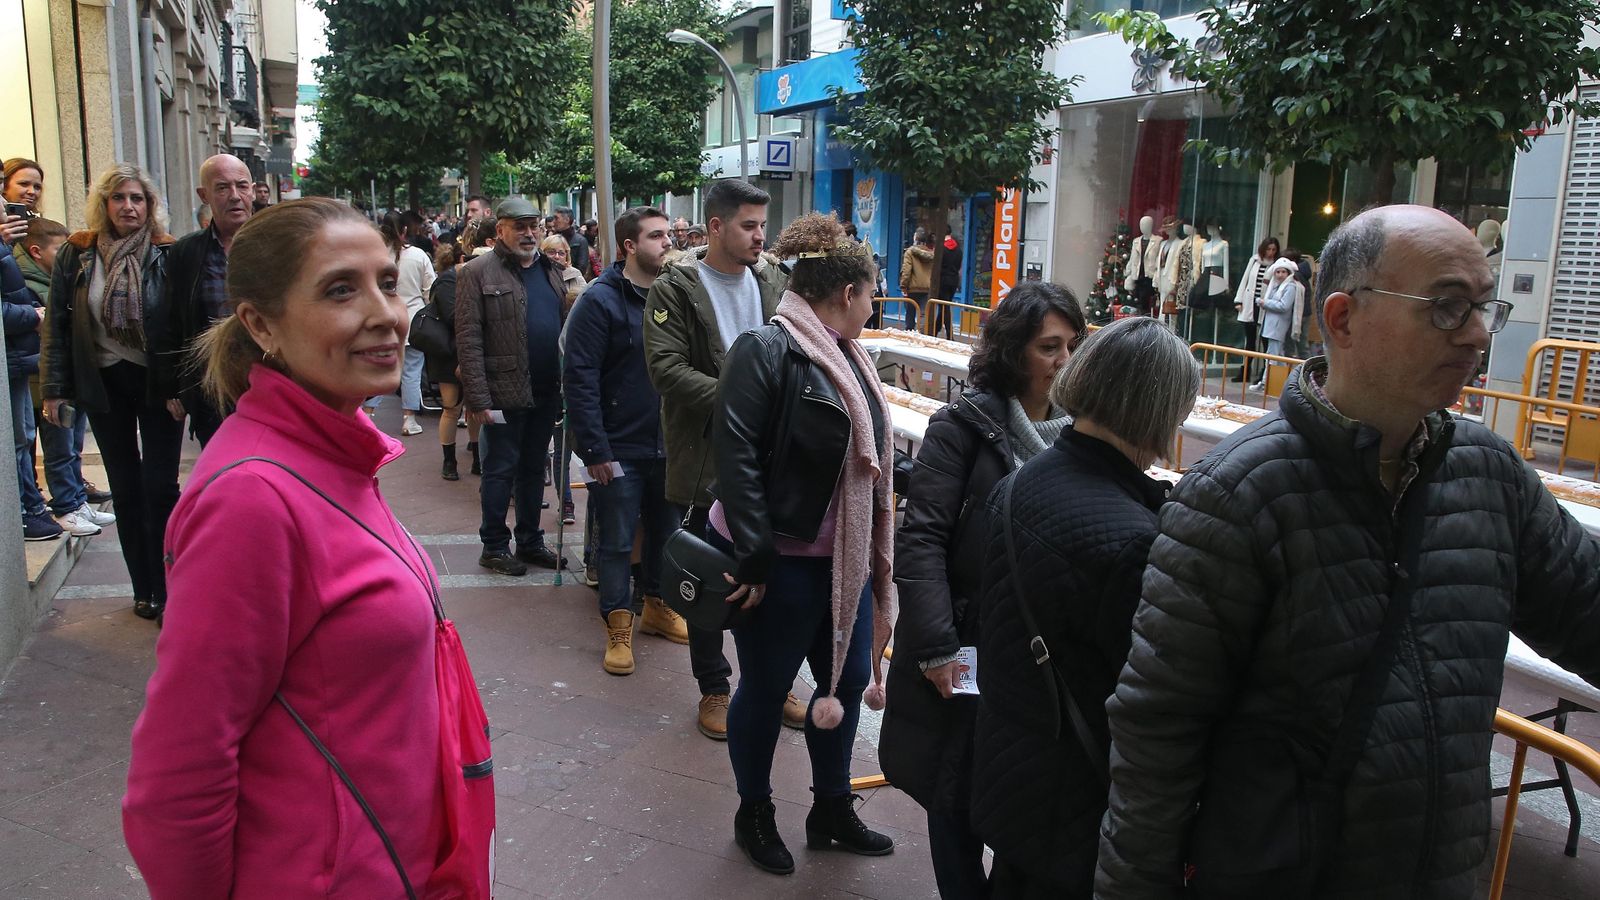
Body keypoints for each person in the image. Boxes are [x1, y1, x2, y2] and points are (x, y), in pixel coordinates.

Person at [1095, 205, 1600, 899]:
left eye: (1486, 308)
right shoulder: (1240, 492)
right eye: (1449, 307)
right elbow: (1158, 733)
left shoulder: (1491, 473)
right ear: (1342, 319)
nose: (1478, 334)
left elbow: (1585, 607)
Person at [123, 197, 474, 896]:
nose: (384, 314)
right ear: (260, 323)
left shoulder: (332, 454)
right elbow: (178, 772)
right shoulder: (252, 498)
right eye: (340, 289)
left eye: (383, 280)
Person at [971, 316, 1198, 897]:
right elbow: (1143, 693)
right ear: (1159, 412)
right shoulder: (1134, 538)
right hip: (1075, 800)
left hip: (1009, 768)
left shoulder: (1022, 480)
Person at [879, 280, 1085, 899]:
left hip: (1037, 653)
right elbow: (922, 543)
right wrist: (939, 647)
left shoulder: (1079, 436)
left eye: (1073, 346)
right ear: (1014, 352)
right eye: (1049, 347)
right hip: (966, 643)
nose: (1064, 362)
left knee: (1024, 792)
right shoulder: (961, 428)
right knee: (955, 785)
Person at [709, 212, 896, 875]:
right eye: (872, 294)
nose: (874, 307)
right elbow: (735, 462)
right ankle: (754, 810)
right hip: (778, 566)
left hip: (841, 566)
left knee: (844, 683)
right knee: (764, 687)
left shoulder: (852, 356)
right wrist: (754, 559)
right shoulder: (764, 349)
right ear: (846, 293)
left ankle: (831, 809)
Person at [644, 178, 805, 741]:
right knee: (713, 574)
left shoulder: (776, 281)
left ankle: (772, 681)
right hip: (709, 455)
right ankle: (714, 686)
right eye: (748, 225)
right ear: (715, 227)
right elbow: (665, 369)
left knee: (769, 570)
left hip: (773, 459)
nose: (761, 236)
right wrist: (743, 403)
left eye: (763, 225)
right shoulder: (677, 288)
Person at [42, 163, 183, 621]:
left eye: (137, 199)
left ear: (150, 206)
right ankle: (144, 589)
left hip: (156, 383)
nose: (129, 206)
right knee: (124, 487)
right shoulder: (77, 254)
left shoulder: (167, 252)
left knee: (160, 487)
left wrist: (181, 385)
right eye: (119, 198)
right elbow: (59, 327)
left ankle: (172, 585)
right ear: (104, 205)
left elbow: (181, 327)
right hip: (103, 381)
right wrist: (54, 389)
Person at [564, 206, 688, 674]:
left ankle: (657, 608)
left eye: (668, 235)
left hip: (668, 444)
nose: (667, 243)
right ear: (629, 246)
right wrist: (595, 449)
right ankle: (618, 625)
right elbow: (579, 378)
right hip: (618, 446)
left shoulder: (675, 294)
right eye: (657, 236)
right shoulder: (600, 300)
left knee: (666, 534)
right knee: (615, 542)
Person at [456, 198, 566, 575]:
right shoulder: (476, 272)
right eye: (519, 226)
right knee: (500, 470)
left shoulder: (551, 269)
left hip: (545, 389)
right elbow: (468, 339)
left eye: (533, 224)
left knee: (535, 469)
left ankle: (530, 541)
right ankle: (494, 546)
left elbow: (561, 326)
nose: (529, 232)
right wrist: (478, 398)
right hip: (502, 391)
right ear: (499, 229)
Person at [165, 153, 255, 446]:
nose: (234, 196)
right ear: (204, 195)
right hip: (210, 386)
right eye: (222, 188)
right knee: (223, 467)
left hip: (268, 378)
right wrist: (173, 386)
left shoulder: (277, 245)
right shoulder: (185, 253)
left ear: (252, 190)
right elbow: (170, 321)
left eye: (242, 186)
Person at [377, 211, 435, 436]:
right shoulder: (419, 255)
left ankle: (369, 414)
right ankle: (409, 419)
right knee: (412, 369)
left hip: (385, 319)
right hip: (414, 321)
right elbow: (431, 289)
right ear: (404, 231)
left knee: (381, 367)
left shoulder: (377, 256)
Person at [426, 242, 481, 481]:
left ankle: (478, 455)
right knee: (451, 407)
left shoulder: (476, 279)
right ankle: (449, 460)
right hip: (450, 353)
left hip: (471, 350)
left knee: (475, 408)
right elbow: (453, 317)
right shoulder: (448, 281)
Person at [1252, 257, 1306, 391]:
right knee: (1276, 357)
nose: (1280, 275)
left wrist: (1264, 303)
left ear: (1288, 273)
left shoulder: (1290, 286)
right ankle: (1276, 383)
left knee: (1273, 357)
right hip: (1271, 327)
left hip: (1278, 327)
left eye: (1283, 272)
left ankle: (1268, 383)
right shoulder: (1275, 286)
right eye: (1278, 272)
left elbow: (1284, 306)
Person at [1231, 236, 1279, 383]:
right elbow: (1245, 279)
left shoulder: (1276, 265)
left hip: (1265, 306)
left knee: (1265, 341)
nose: (1270, 252)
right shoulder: (1254, 260)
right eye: (1268, 249)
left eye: (1273, 250)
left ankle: (1264, 374)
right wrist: (1238, 300)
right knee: (1250, 341)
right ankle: (1245, 370)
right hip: (1250, 303)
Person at [2, 157, 44, 245]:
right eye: (24, 184)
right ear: (4, 185)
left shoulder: (43, 228)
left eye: (37, 187)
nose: (32, 192)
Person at [900, 228, 934, 332]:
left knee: (910, 312)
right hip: (926, 287)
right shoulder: (931, 253)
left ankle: (909, 332)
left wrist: (903, 286)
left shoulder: (910, 252)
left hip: (913, 287)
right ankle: (922, 332)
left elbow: (906, 270)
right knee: (923, 313)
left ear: (915, 238)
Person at [552, 206, 592, 279]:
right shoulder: (552, 239)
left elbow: (582, 267)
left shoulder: (580, 241)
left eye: (556, 218)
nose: (554, 221)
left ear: (567, 220)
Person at [934, 230, 961, 337]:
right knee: (945, 305)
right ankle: (935, 330)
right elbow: (958, 267)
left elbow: (937, 266)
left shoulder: (941, 249)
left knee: (944, 307)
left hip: (943, 280)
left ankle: (950, 334)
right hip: (954, 280)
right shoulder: (958, 250)